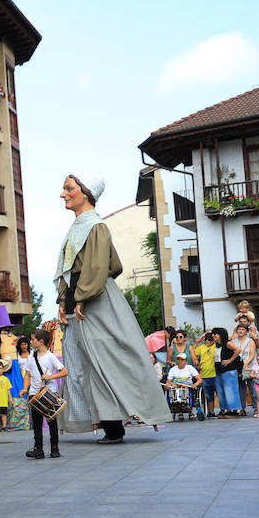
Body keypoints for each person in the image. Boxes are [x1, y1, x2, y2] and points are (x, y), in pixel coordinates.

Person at [55, 172, 170, 441]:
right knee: (80, 362)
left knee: (107, 359)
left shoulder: (95, 226)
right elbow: (68, 269)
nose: (63, 194)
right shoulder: (79, 228)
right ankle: (104, 423)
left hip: (93, 300)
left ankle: (118, 423)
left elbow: (98, 266)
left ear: (85, 193)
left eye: (68, 188)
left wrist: (81, 296)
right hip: (79, 300)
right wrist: (64, 300)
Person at [23, 328, 67, 458]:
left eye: (32, 339)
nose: (30, 342)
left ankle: (55, 448)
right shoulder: (31, 357)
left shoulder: (50, 356)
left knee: (52, 421)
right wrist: (25, 388)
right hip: (34, 393)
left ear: (41, 342)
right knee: (36, 422)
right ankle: (38, 448)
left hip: (49, 392)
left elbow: (64, 371)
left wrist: (50, 377)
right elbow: (27, 374)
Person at [213, 326, 246, 418]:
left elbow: (238, 350)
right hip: (219, 370)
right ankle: (225, 409)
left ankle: (234, 410)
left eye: (215, 334)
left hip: (228, 370)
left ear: (221, 335)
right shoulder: (215, 345)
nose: (213, 335)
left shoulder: (227, 343)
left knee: (230, 390)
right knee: (221, 391)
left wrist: (230, 360)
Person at [164, 354, 201, 422]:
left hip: (188, 385)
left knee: (185, 387)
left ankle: (188, 409)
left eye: (182, 360)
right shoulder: (173, 369)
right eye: (178, 359)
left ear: (186, 361)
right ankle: (178, 408)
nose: (180, 361)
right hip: (176, 385)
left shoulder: (190, 368)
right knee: (174, 387)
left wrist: (195, 384)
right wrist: (167, 385)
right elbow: (168, 382)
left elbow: (199, 379)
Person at [193, 330, 219, 417]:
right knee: (208, 396)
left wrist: (214, 334)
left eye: (210, 339)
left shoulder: (216, 346)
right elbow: (192, 350)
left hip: (215, 374)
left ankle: (223, 410)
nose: (208, 341)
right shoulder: (202, 347)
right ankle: (211, 412)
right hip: (204, 375)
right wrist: (200, 339)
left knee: (220, 394)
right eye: (206, 339)